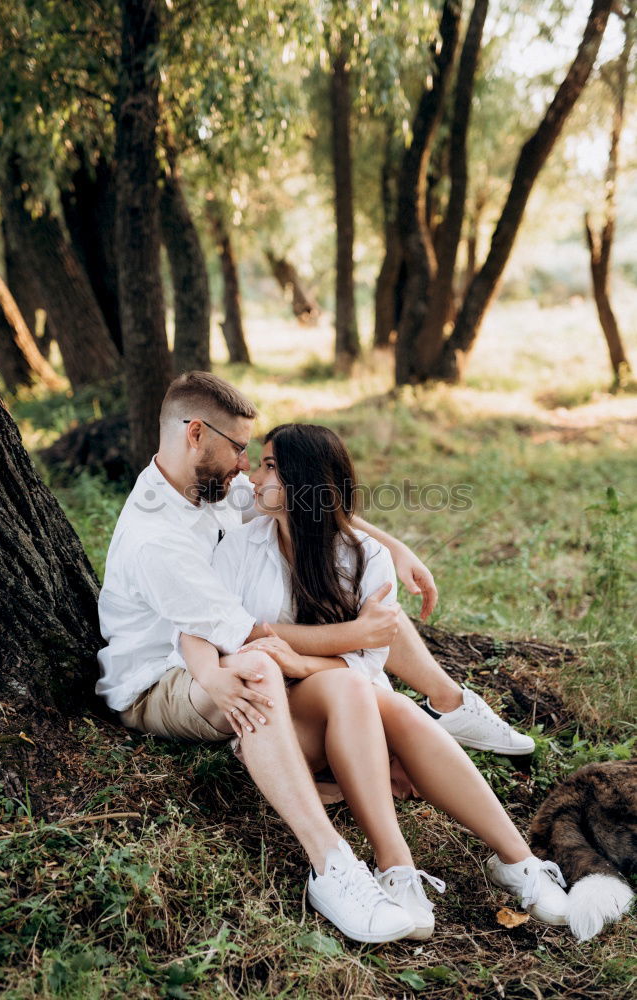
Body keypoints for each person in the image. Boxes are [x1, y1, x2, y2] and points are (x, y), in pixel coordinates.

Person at [95, 372, 542, 943]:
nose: (244, 468)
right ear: (197, 434)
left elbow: (307, 499)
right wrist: (356, 632)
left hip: (215, 653)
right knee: (267, 664)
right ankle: (331, 866)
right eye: (239, 449)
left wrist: (392, 548)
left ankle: (447, 704)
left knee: (374, 625)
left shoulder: (204, 482)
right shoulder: (160, 537)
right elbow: (247, 636)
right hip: (162, 678)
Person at [209, 423, 569, 937]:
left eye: (270, 466)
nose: (254, 474)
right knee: (368, 694)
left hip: (347, 717)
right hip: (274, 732)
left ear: (305, 484)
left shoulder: (364, 556)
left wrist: (304, 661)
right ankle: (393, 862)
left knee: (386, 700)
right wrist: (326, 644)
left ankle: (517, 862)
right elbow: (235, 640)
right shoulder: (240, 545)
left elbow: (369, 664)